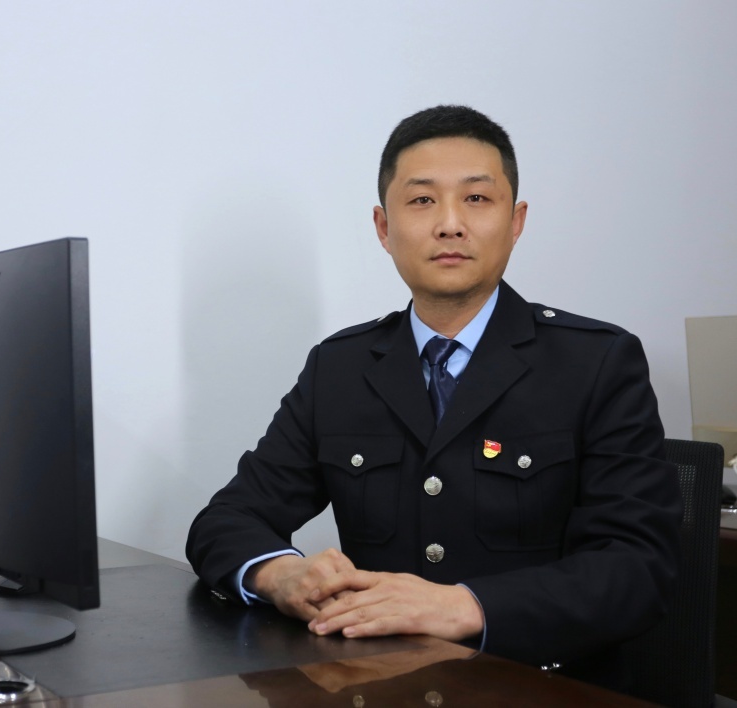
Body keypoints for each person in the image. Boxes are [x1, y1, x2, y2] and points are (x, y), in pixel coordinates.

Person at [185, 105, 681, 691]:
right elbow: (227, 520)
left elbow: (637, 568)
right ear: (383, 227)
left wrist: (464, 606)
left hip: (539, 688)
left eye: (477, 198)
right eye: (422, 200)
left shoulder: (596, 362)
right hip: (381, 686)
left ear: (516, 221)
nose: (450, 224)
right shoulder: (340, 367)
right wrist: (280, 574)